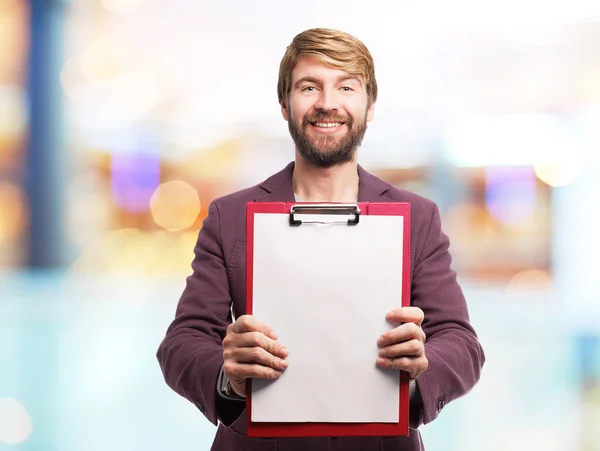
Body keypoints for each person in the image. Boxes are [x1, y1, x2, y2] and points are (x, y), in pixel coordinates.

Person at [157, 27, 485, 451]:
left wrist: (422, 368)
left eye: (346, 87)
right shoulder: (230, 216)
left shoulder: (417, 218)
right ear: (284, 105)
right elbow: (182, 342)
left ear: (369, 107)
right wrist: (228, 374)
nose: (328, 102)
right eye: (309, 86)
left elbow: (461, 342)